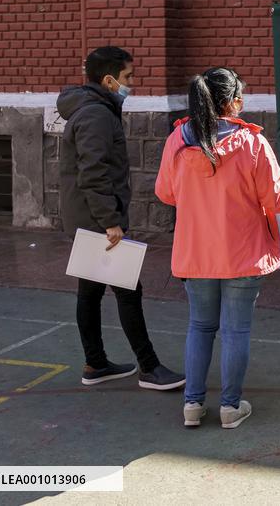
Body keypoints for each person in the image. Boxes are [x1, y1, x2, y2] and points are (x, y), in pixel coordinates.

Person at [155, 68, 280, 429]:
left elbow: (165, 193)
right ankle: (230, 407)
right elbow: (279, 198)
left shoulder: (178, 140)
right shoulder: (251, 142)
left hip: (195, 252)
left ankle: (192, 404)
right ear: (232, 101)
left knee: (200, 327)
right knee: (235, 331)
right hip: (244, 252)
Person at [57, 46, 185, 390]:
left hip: (88, 217)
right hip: (98, 220)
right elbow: (93, 173)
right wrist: (110, 220)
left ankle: (96, 363)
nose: (133, 83)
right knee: (129, 291)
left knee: (91, 291)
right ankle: (149, 368)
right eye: (128, 77)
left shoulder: (90, 108)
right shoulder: (96, 115)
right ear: (109, 79)